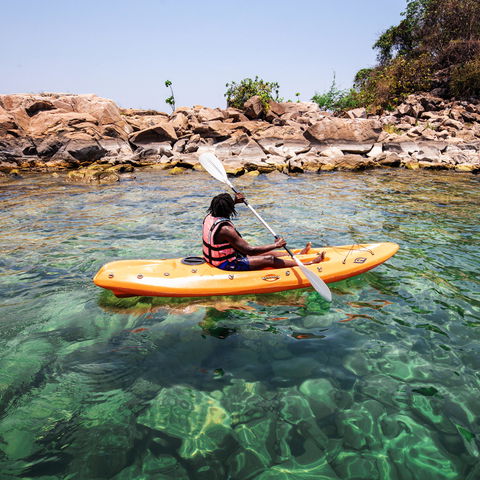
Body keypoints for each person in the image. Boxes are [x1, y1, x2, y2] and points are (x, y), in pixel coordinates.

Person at [202, 192, 325, 271]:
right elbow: (249, 250)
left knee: (267, 252)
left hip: (215, 258)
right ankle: (309, 264)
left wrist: (234, 201)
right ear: (228, 209)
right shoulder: (226, 230)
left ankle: (298, 255)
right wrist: (276, 245)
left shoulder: (209, 217)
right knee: (269, 259)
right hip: (226, 265)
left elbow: (223, 207)